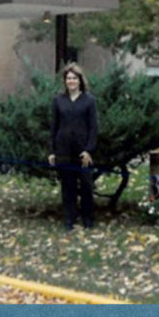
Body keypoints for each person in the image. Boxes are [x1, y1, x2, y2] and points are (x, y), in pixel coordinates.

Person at [48, 62, 99, 230]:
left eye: (74, 78)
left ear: (80, 80)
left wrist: (89, 150)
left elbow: (93, 127)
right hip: (63, 150)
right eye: (68, 78)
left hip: (82, 152)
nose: (71, 81)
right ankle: (69, 220)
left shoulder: (89, 100)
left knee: (85, 186)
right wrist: (52, 151)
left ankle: (88, 220)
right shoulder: (58, 100)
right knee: (67, 187)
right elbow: (54, 127)